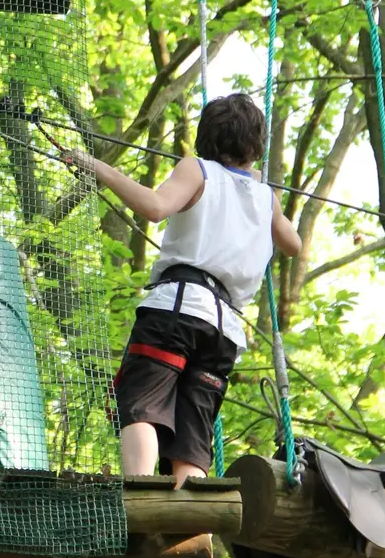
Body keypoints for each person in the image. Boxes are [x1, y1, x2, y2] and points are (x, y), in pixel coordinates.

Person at [60, 94, 302, 483]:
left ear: (208, 138)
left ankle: (139, 497)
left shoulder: (198, 170)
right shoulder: (265, 196)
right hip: (223, 331)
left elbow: (156, 207)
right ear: (256, 146)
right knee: (193, 432)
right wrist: (260, 194)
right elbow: (293, 244)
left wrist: (97, 167)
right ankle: (192, 531)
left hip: (178, 310)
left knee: (142, 405)